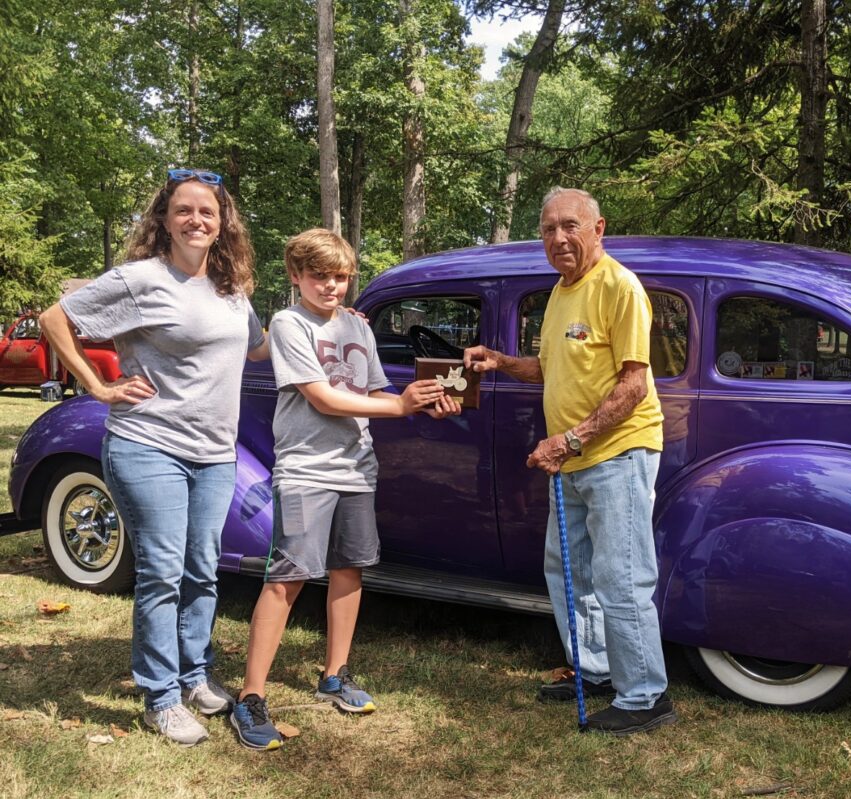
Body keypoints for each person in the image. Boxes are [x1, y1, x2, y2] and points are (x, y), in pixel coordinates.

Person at [39, 168, 268, 746]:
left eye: (208, 212)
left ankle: (194, 675)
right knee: (162, 572)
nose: (197, 219)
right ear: (164, 219)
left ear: (223, 224)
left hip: (216, 453)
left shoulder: (230, 289)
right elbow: (54, 319)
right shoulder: (140, 279)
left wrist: (333, 323)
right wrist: (98, 386)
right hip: (149, 444)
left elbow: (261, 348)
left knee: (202, 570)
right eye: (184, 209)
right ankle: (160, 696)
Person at [229, 228, 460, 750]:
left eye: (339, 277)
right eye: (318, 276)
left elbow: (375, 389)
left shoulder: (359, 327)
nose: (330, 286)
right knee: (288, 577)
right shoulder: (289, 323)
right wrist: (399, 407)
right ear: (296, 276)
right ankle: (250, 697)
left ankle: (335, 675)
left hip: (357, 467)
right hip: (307, 470)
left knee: (349, 569)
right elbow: (322, 397)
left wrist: (421, 397)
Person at [463, 187, 676, 736]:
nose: (559, 238)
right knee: (568, 569)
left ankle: (646, 694)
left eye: (570, 226)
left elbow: (634, 384)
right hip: (577, 457)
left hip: (616, 453)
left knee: (621, 576)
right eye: (549, 228)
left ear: (598, 229)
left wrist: (570, 440)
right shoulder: (561, 292)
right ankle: (599, 670)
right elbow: (552, 367)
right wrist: (501, 362)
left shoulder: (619, 287)